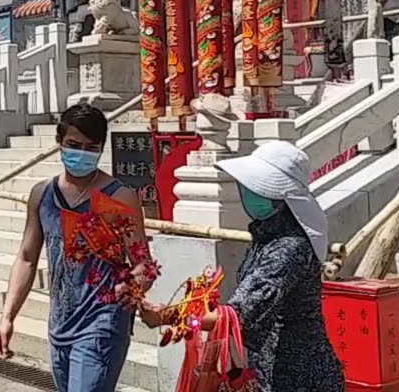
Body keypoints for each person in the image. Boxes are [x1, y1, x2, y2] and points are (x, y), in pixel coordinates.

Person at [140, 142, 344, 392]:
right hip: (269, 369)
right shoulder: (267, 237)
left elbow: (239, 317)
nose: (246, 192)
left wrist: (169, 316)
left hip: (299, 375)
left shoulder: (289, 249)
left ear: (279, 197)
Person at [0, 104, 147, 392]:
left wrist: (134, 286)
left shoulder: (120, 198)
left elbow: (143, 262)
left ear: (102, 149)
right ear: (59, 143)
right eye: (74, 145)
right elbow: (27, 258)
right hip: (61, 324)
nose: (82, 153)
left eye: (91, 147)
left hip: (102, 323)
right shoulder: (43, 195)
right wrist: (7, 317)